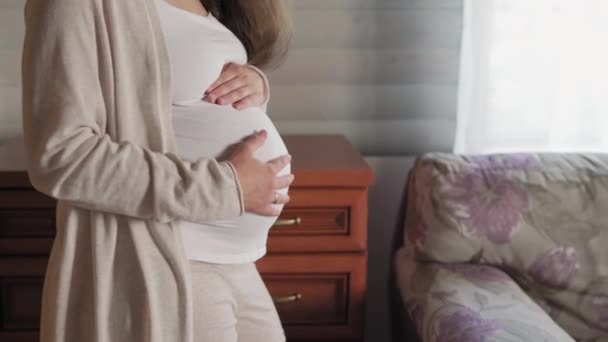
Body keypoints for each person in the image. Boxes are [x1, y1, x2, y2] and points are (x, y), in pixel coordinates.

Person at [20, 0, 293, 341]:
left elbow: (169, 102)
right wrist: (224, 187)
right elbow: (60, 155)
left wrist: (251, 85)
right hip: (165, 256)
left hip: (236, 262)